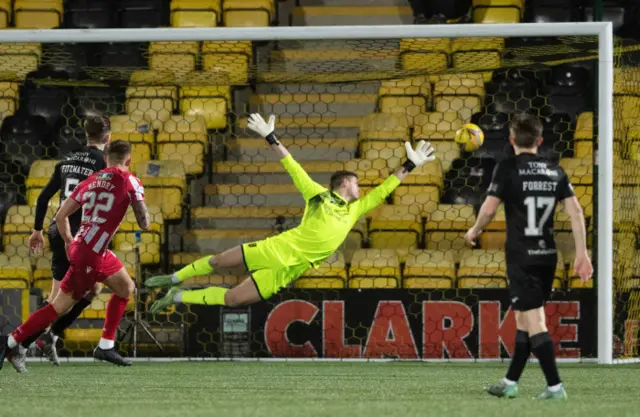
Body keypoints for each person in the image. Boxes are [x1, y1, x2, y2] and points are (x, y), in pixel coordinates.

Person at [144, 113, 435, 311]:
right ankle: (173, 278)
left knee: (234, 299)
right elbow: (292, 166)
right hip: (278, 248)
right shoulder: (319, 196)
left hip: (289, 270)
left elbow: (385, 190)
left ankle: (177, 297)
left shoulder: (356, 209)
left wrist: (409, 166)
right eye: (357, 183)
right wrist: (271, 137)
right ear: (345, 183)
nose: (361, 188)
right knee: (221, 261)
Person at [464, 113, 593, 400]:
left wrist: (474, 230)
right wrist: (582, 252)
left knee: (535, 321)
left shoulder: (507, 168)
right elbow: (576, 213)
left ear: (511, 141)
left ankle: (555, 387)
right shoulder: (555, 170)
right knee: (524, 318)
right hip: (548, 255)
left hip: (522, 255)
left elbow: (488, 209)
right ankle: (510, 382)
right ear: (540, 140)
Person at [0, 140, 150, 373]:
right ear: (128, 160)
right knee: (58, 307)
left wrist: (70, 242)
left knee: (126, 288)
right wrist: (138, 199)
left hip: (88, 247)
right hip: (91, 253)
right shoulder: (130, 180)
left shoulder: (91, 180)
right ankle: (9, 341)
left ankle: (105, 346)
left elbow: (60, 216)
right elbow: (144, 222)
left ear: (107, 158)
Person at [24, 115, 110, 366]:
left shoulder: (67, 160)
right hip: (80, 235)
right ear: (108, 137)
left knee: (91, 289)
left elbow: (42, 199)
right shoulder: (103, 163)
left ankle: (50, 336)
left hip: (58, 229)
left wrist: (37, 230)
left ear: (86, 135)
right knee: (60, 300)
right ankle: (20, 343)